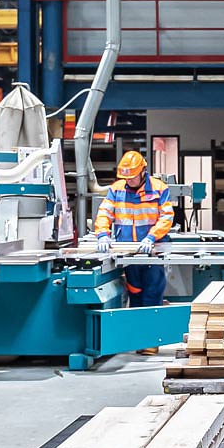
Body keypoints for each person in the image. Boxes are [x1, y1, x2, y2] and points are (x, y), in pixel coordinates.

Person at [94, 151, 176, 354]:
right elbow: (105, 212)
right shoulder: (116, 189)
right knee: (135, 293)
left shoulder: (159, 189)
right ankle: (138, 339)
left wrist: (152, 237)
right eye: (126, 177)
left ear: (142, 172)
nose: (129, 181)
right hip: (128, 252)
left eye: (132, 176)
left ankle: (150, 341)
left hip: (152, 251)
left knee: (152, 293)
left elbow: (166, 216)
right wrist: (103, 234)